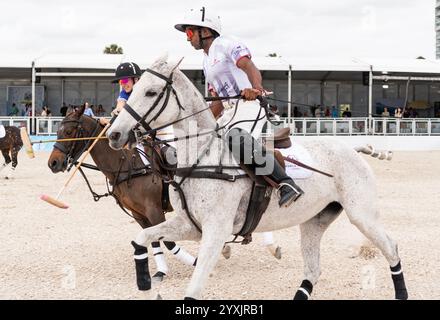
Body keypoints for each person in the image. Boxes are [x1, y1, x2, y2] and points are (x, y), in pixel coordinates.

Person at [175, 7, 303, 206]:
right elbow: (217, 100)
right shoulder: (206, 61)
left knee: (236, 138)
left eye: (189, 32)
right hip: (229, 113)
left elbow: (249, 66)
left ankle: (286, 183)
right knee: (201, 139)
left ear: (205, 31)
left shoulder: (227, 43)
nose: (187, 38)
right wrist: (201, 123)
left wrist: (255, 88)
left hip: (249, 107)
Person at [99, 62, 143, 126]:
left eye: (124, 80)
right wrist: (110, 120)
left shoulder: (146, 91)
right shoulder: (124, 92)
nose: (122, 85)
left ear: (136, 79)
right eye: (120, 82)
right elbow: (120, 105)